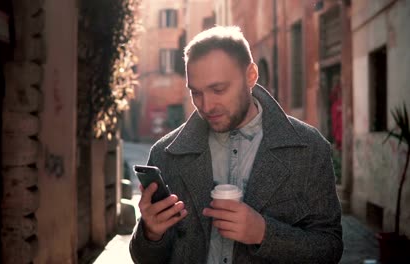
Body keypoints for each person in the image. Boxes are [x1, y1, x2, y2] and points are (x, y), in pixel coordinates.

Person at [129, 26, 343, 263]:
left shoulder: (309, 148)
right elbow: (143, 258)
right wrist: (151, 234)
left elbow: (329, 249)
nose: (206, 106)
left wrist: (264, 233)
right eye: (196, 92)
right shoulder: (165, 153)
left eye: (218, 89)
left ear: (251, 75)